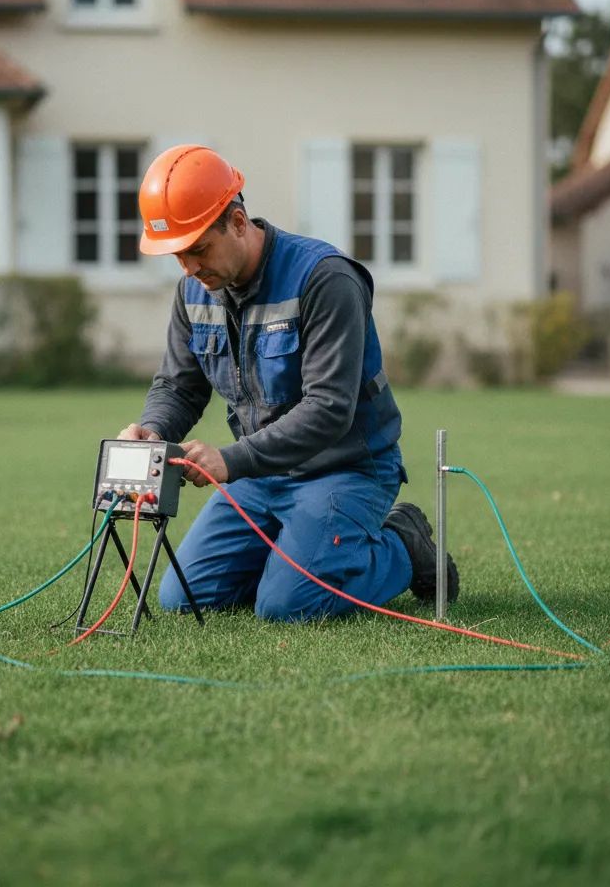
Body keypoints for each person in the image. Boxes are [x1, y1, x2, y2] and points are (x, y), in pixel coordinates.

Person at [117, 144, 459, 622]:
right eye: (177, 255)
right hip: (262, 475)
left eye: (198, 249)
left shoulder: (325, 279)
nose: (190, 268)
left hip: (347, 468)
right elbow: (178, 387)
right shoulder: (194, 290)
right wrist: (152, 430)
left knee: (287, 606)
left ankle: (404, 545)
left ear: (238, 222)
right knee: (183, 598)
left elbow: (329, 408)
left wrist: (231, 459)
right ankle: (295, 557)